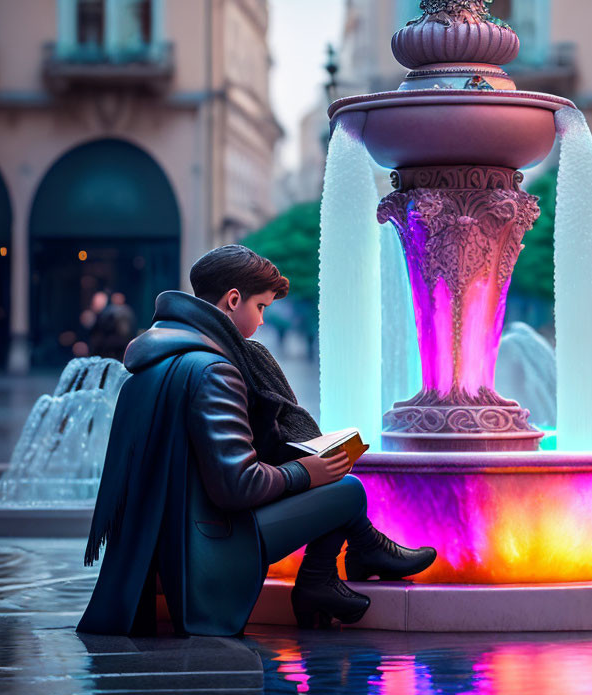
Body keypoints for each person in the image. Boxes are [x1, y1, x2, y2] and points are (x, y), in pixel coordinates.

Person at [77, 244, 436, 636]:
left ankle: (329, 575)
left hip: (162, 548)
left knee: (329, 475)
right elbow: (238, 486)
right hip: (207, 552)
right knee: (346, 489)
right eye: (261, 307)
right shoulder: (216, 370)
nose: (263, 321)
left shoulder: (158, 360)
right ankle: (343, 565)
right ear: (233, 300)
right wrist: (306, 471)